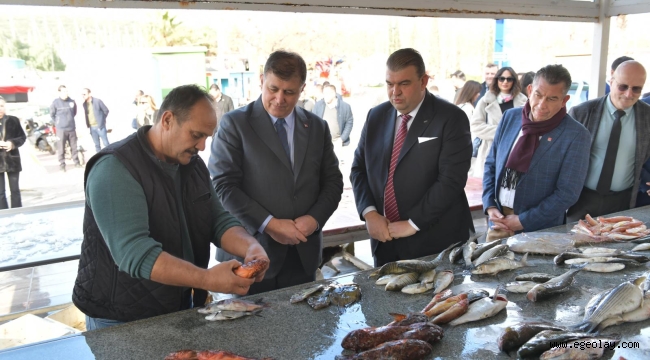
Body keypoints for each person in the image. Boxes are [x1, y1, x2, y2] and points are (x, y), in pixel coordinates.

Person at [72, 84, 269, 330]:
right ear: (167, 120)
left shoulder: (192, 164)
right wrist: (207, 279)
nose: (202, 147)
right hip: (119, 317)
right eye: (196, 135)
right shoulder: (115, 168)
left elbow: (217, 219)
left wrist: (251, 247)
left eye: (207, 137)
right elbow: (135, 253)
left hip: (176, 305)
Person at [209, 50, 343, 294]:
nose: (279, 99)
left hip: (303, 255)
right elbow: (223, 186)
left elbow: (333, 182)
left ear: (302, 89)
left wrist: (313, 220)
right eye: (273, 89)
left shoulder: (316, 127)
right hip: (251, 254)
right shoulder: (234, 124)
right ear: (261, 81)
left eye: (289, 92)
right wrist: (269, 224)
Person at [350, 48, 474, 267]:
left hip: (436, 243)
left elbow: (451, 180)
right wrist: (369, 213)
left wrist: (413, 223)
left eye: (404, 84)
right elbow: (359, 169)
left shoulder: (451, 118)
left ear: (423, 80)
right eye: (389, 84)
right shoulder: (376, 116)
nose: (395, 92)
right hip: (385, 241)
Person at [482, 65, 592, 241]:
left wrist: (522, 221)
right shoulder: (510, 117)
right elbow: (491, 164)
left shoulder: (576, 135)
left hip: (540, 231)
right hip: (498, 223)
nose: (542, 105)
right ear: (530, 90)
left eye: (552, 99)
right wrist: (490, 206)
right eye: (538, 95)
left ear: (564, 100)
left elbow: (567, 193)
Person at [567, 61, 650, 221]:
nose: (628, 94)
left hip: (624, 202)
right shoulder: (582, 113)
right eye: (623, 86)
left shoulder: (647, 117)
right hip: (581, 200)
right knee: (573, 243)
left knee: (618, 246)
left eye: (636, 89)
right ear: (611, 82)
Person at [470, 66, 527, 178]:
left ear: (514, 81)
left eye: (509, 79)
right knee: (488, 186)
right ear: (497, 80)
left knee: (508, 188)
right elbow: (476, 126)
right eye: (501, 78)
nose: (505, 82)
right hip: (490, 149)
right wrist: (502, 131)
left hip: (514, 150)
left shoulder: (523, 101)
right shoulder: (485, 100)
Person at [0, 96, 26, 209]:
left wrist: (12, 143)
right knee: (0, 193)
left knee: (15, 190)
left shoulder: (13, 120)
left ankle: (17, 212)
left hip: (12, 159)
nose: (0, 108)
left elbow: (22, 137)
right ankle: (3, 215)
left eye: (1, 105)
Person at [50, 85, 81, 171]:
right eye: (63, 91)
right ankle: (62, 164)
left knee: (74, 147)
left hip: (71, 128)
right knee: (61, 148)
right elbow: (52, 115)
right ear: (59, 92)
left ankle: (76, 162)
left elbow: (74, 112)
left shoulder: (72, 101)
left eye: (66, 91)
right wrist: (58, 123)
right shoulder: (55, 103)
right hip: (61, 129)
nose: (65, 93)